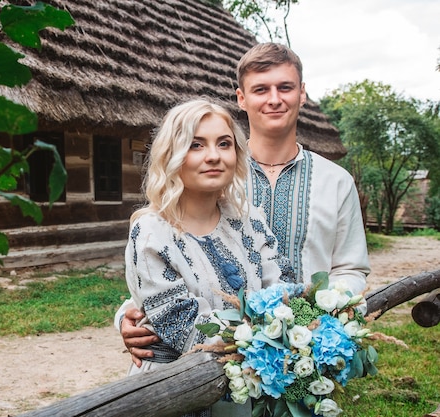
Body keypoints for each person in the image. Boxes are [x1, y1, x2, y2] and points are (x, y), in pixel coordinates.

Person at [117, 42, 371, 367]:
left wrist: (319, 329)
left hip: (304, 351)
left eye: (285, 87)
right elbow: (165, 270)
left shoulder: (335, 181)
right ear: (242, 97)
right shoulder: (220, 176)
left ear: (302, 93)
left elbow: (349, 268)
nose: (274, 99)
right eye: (261, 89)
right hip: (214, 368)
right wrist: (129, 314)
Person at [123, 97, 295, 416]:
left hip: (250, 386)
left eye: (224, 143)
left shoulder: (250, 222)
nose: (213, 156)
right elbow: (190, 332)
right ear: (172, 155)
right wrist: (277, 328)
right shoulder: (151, 233)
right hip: (176, 393)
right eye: (196, 145)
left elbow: (287, 291)